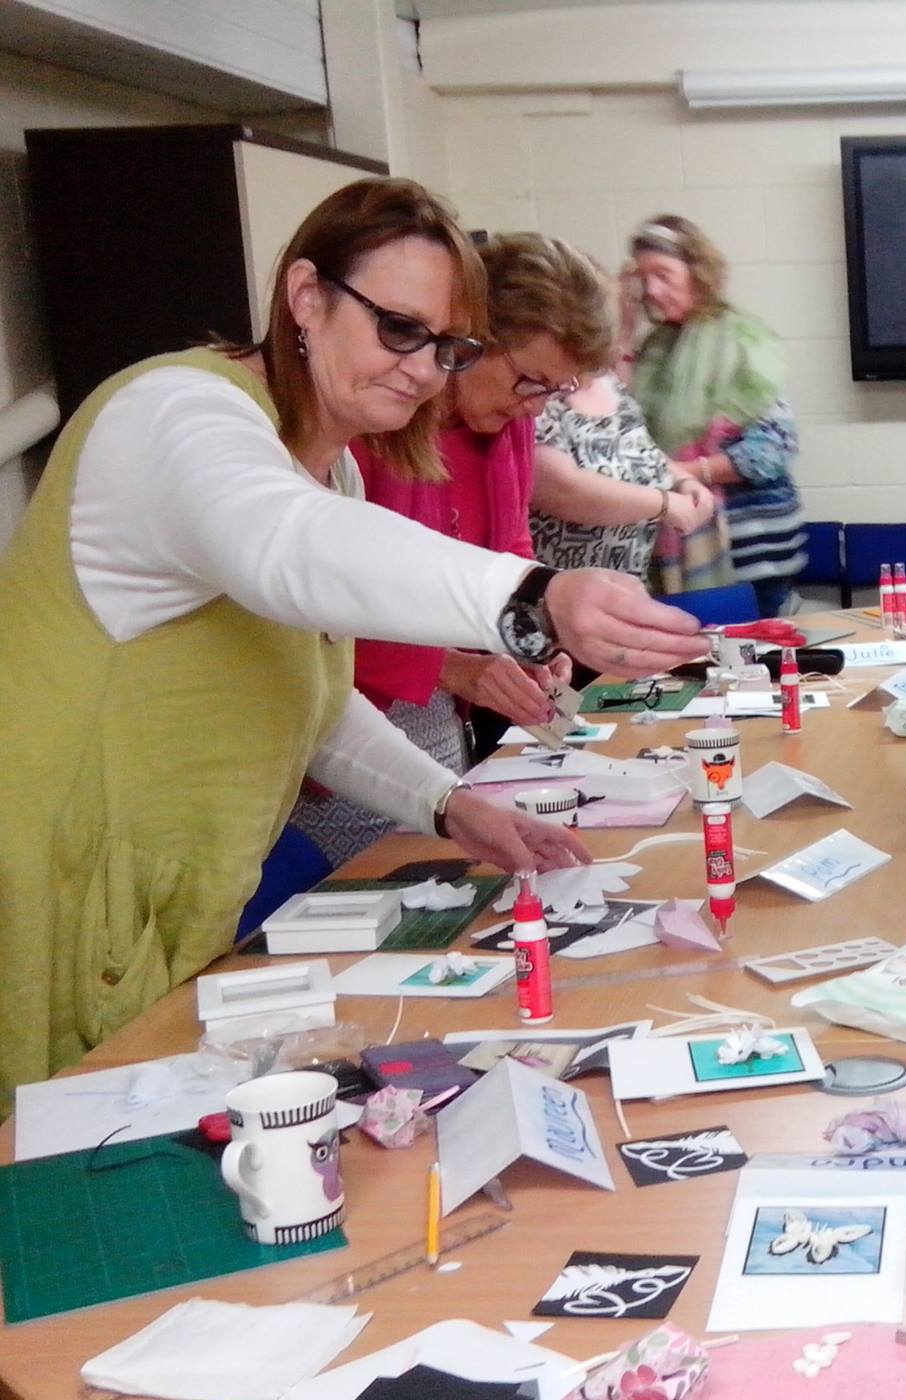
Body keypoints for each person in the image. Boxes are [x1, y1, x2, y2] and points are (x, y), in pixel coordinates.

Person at [0, 178, 708, 1110]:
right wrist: (533, 597)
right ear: (306, 296)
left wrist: (448, 805)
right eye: (400, 329)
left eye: (447, 347)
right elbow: (281, 549)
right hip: (57, 887)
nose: (423, 371)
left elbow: (305, 697)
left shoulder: (329, 469)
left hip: (163, 896)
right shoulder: (177, 413)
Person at [292, 232, 715, 867]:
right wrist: (457, 669)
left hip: (434, 715)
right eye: (529, 381)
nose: (535, 406)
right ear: (470, 338)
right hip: (349, 728)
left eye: (555, 389)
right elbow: (329, 614)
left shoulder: (508, 424)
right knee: (389, 886)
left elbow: (512, 554)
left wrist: (532, 639)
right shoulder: (371, 430)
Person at [622, 216, 807, 616]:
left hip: (750, 547)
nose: (651, 290)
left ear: (698, 272)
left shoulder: (741, 340)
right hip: (677, 535)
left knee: (755, 652)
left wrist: (680, 473)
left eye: (663, 275)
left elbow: (772, 449)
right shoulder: (654, 347)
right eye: (642, 278)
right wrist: (622, 326)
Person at [531, 266, 732, 608]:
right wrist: (663, 503)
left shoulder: (609, 384)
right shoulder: (539, 394)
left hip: (628, 590)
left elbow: (643, 451)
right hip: (561, 602)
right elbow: (565, 491)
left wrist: (682, 481)